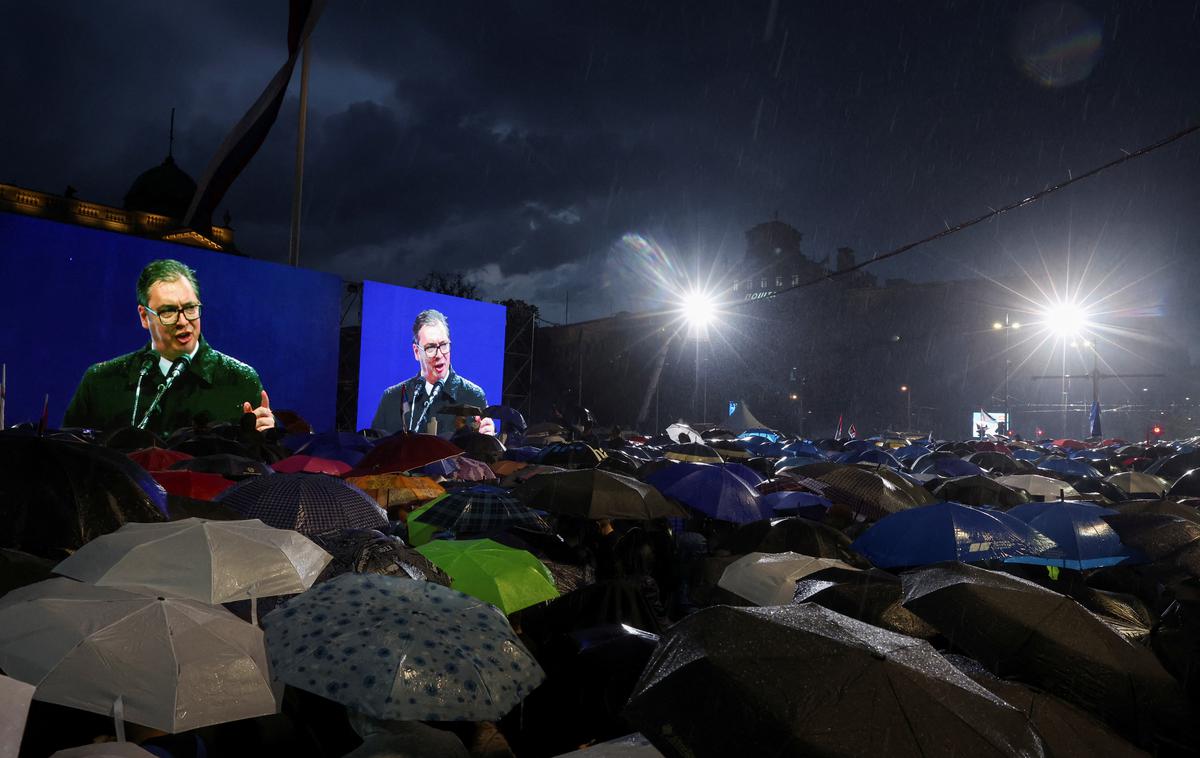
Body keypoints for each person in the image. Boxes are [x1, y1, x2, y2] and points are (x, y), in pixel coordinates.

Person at [63, 259, 274, 435]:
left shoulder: (238, 381)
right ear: (144, 316)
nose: (183, 321)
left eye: (190, 308)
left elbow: (258, 471)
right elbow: (70, 457)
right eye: (168, 311)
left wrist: (263, 439)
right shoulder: (102, 382)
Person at [371, 309, 495, 437]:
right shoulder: (393, 398)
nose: (439, 354)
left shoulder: (472, 396)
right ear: (416, 352)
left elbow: (484, 454)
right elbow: (375, 450)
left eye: (443, 345)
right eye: (430, 347)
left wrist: (487, 439)